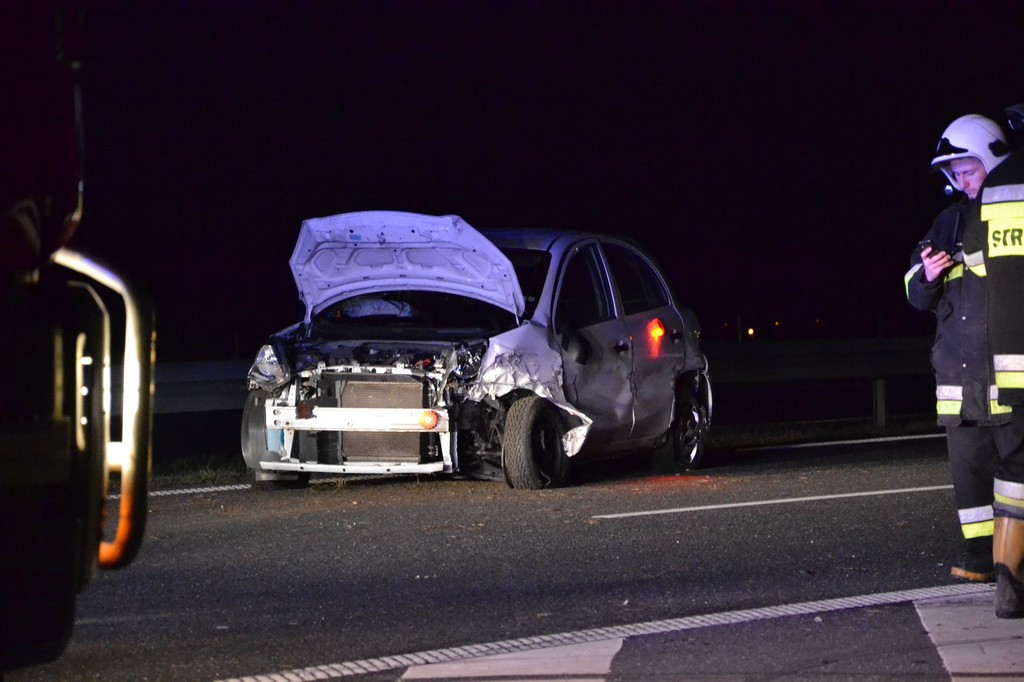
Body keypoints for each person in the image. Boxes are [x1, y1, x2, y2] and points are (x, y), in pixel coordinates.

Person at [905, 114, 1010, 585]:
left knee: (1013, 468)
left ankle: (1012, 555)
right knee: (968, 473)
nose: (960, 180)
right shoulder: (947, 222)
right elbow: (913, 291)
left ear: (991, 156)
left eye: (967, 169)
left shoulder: (1010, 214)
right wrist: (927, 275)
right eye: (954, 173)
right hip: (958, 376)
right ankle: (979, 554)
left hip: (1002, 370)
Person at [961, 107, 1024, 619]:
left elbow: (982, 265)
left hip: (1008, 362)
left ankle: (1010, 585)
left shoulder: (996, 192)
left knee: (1016, 471)